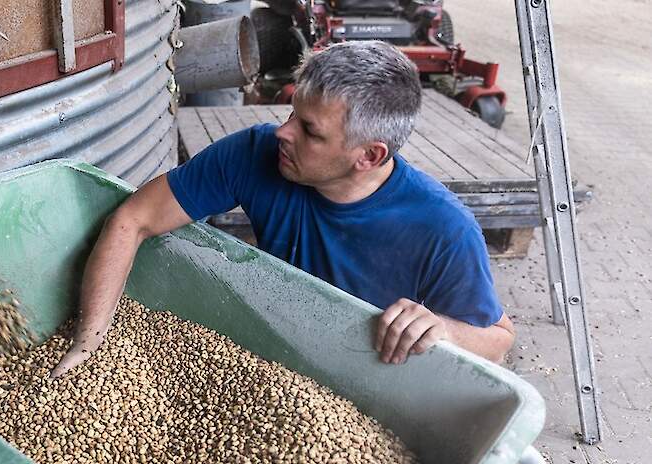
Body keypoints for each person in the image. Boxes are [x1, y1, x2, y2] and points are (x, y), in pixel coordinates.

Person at [50, 40, 514, 378]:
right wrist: (89, 343)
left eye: (309, 131)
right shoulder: (257, 153)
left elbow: (497, 339)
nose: (282, 132)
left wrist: (444, 332)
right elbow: (133, 219)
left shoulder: (443, 228)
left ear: (369, 156)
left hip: (364, 382)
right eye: (291, 112)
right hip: (275, 355)